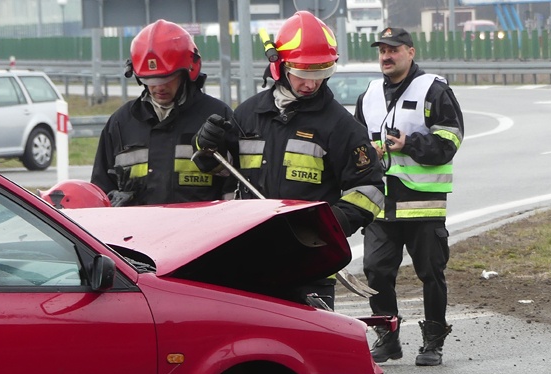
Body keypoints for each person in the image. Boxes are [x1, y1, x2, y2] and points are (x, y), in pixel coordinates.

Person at [192, 11, 385, 309]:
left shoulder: (341, 126)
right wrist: (205, 147)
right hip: (250, 255)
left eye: (320, 75)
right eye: (303, 74)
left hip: (310, 261)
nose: (311, 84)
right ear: (279, 66)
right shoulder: (248, 114)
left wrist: (328, 225)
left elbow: (370, 189)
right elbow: (224, 171)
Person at [353, 27, 464, 366]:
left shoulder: (434, 91)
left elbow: (451, 141)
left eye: (394, 50)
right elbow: (358, 144)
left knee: (430, 274)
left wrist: (410, 144)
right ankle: (388, 338)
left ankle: (433, 341)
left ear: (410, 52)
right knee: (375, 271)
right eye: (382, 51)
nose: (386, 56)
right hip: (381, 204)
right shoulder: (369, 94)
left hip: (423, 205)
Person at [91, 20, 237, 206]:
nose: (159, 87)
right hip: (138, 234)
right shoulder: (121, 123)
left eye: (167, 78)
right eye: (150, 79)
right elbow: (100, 189)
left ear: (188, 72)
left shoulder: (217, 117)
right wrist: (112, 200)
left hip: (204, 232)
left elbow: (236, 187)